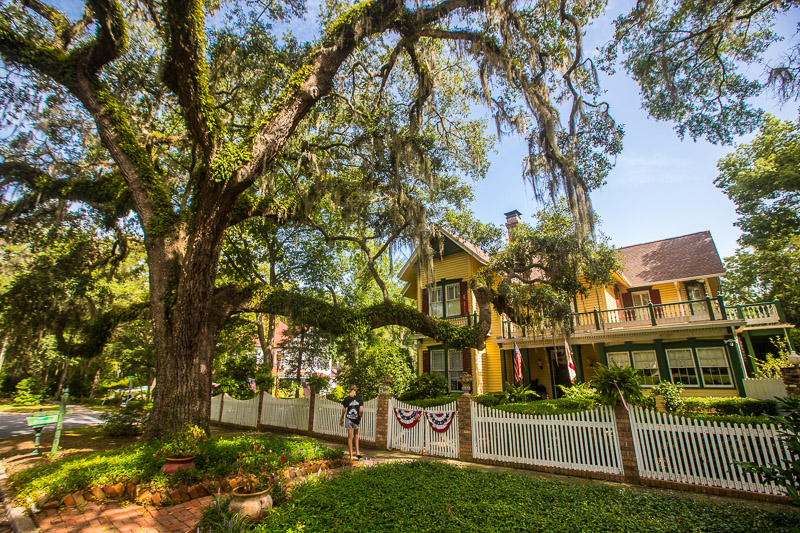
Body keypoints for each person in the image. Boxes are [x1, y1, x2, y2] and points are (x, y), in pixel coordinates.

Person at [339, 384, 363, 461]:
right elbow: (361, 410)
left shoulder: (347, 399)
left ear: (350, 390)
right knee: (356, 435)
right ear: (356, 390)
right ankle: (358, 452)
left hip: (349, 418)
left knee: (350, 437)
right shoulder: (359, 399)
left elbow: (344, 410)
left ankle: (351, 456)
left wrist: (341, 419)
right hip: (356, 419)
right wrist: (360, 418)